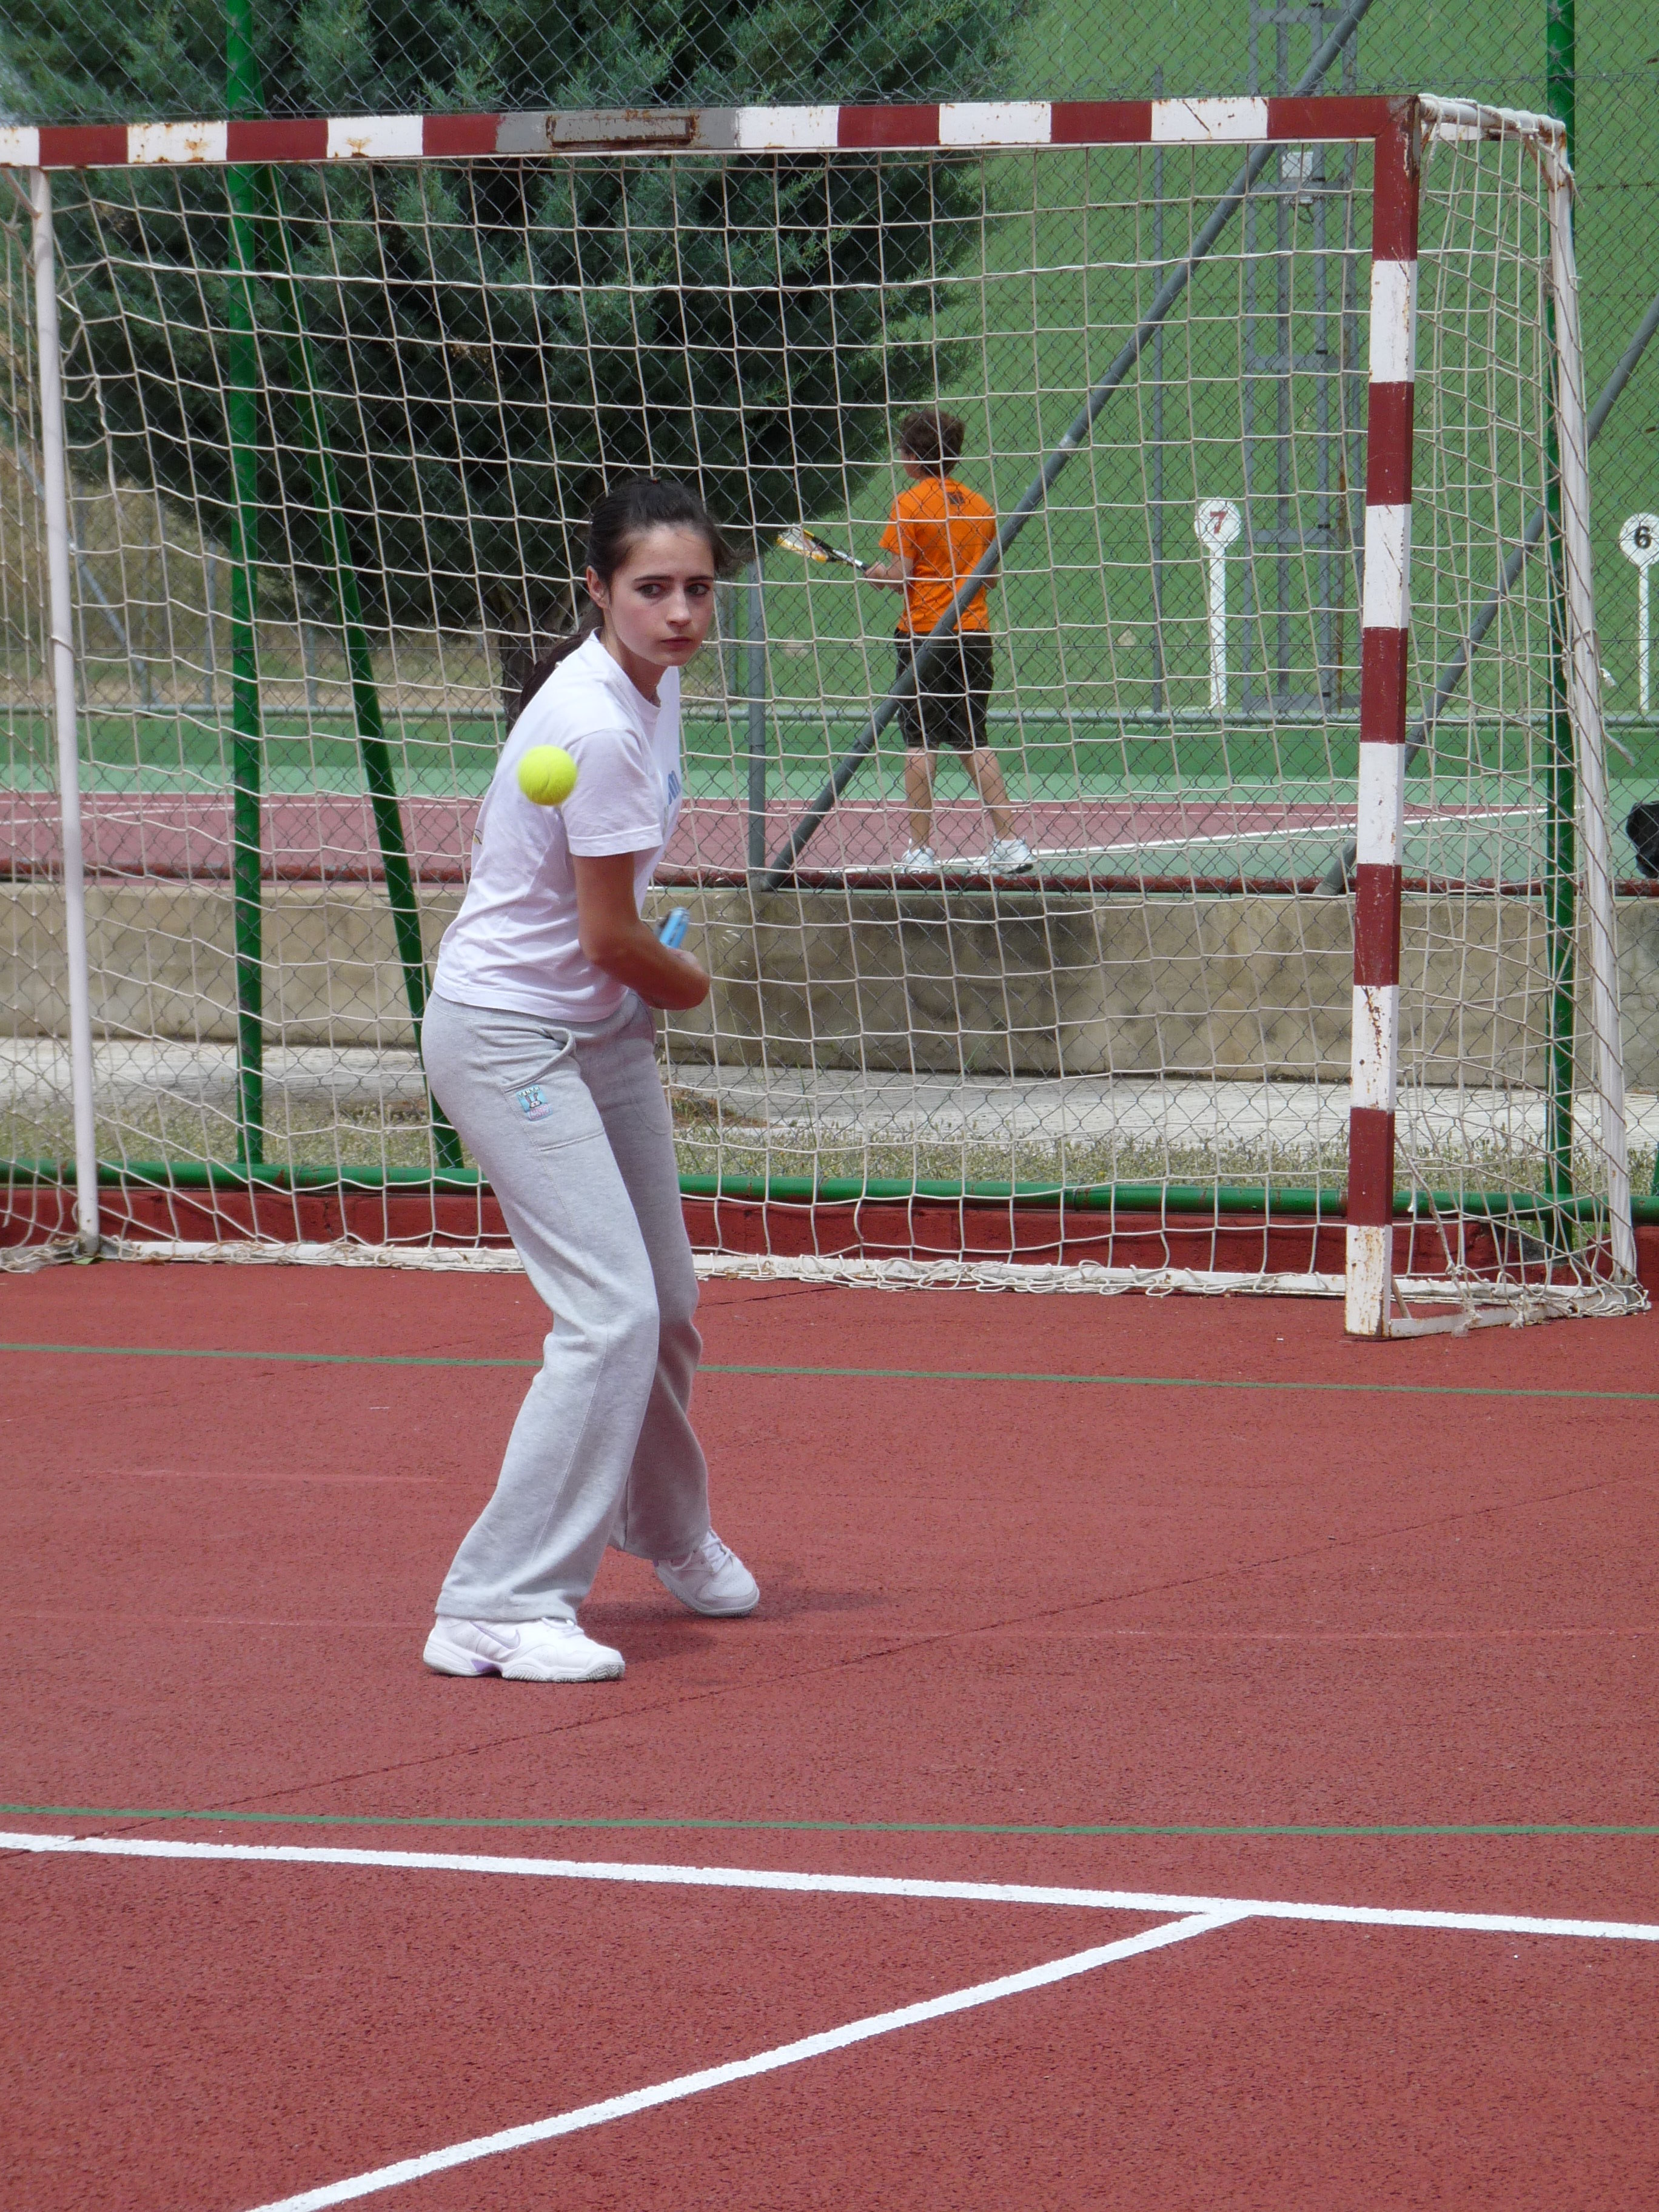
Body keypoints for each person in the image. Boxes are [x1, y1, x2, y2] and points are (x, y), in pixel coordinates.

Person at [419, 477, 759, 1684]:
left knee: (663, 1300)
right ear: (598, 590)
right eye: (651, 589)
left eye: (698, 589)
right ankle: (495, 1601)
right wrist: (694, 984)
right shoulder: (599, 726)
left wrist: (643, 985)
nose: (680, 612)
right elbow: (613, 937)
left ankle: (660, 1524)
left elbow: (603, 943)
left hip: (597, 1030)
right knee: (609, 1313)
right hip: (509, 1036)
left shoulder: (650, 689)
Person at [862, 407, 1031, 875]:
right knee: (974, 738)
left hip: (924, 636)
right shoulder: (980, 506)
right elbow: (989, 578)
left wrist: (879, 575)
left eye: (903, 449)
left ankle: (920, 851)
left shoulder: (908, 503)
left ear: (913, 456)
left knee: (920, 743)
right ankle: (1009, 843)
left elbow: (901, 577)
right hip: (974, 635)